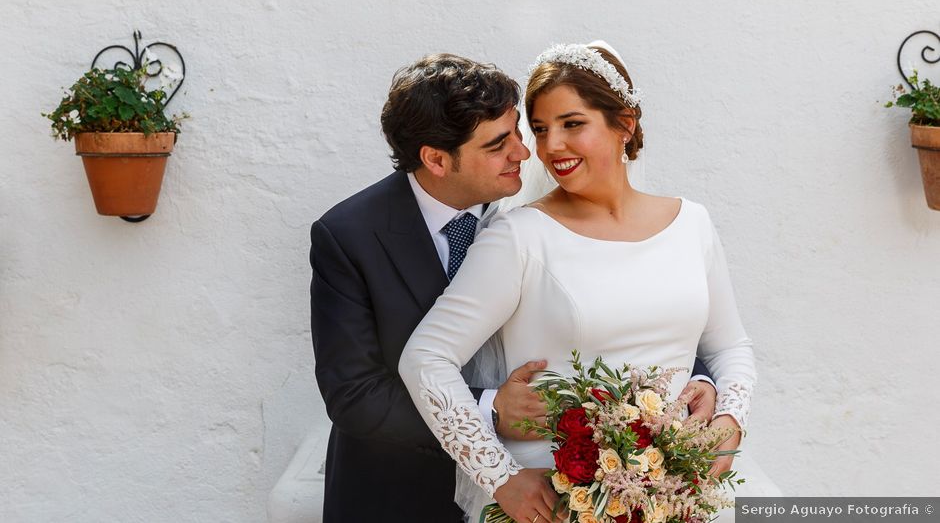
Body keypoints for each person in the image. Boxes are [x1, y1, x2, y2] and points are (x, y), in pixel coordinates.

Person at [310, 52, 717, 522]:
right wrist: (492, 414)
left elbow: (617, 303)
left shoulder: (534, 216)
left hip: (551, 489)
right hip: (403, 493)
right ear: (437, 159)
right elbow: (354, 395)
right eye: (498, 145)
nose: (524, 153)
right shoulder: (350, 235)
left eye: (520, 132)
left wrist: (698, 373)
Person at [399, 41, 756, 523]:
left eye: (572, 125)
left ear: (624, 125)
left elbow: (730, 347)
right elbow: (426, 359)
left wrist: (730, 421)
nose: (550, 147)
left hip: (675, 496)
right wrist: (499, 477)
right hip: (559, 502)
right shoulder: (519, 236)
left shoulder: (692, 223)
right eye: (541, 129)